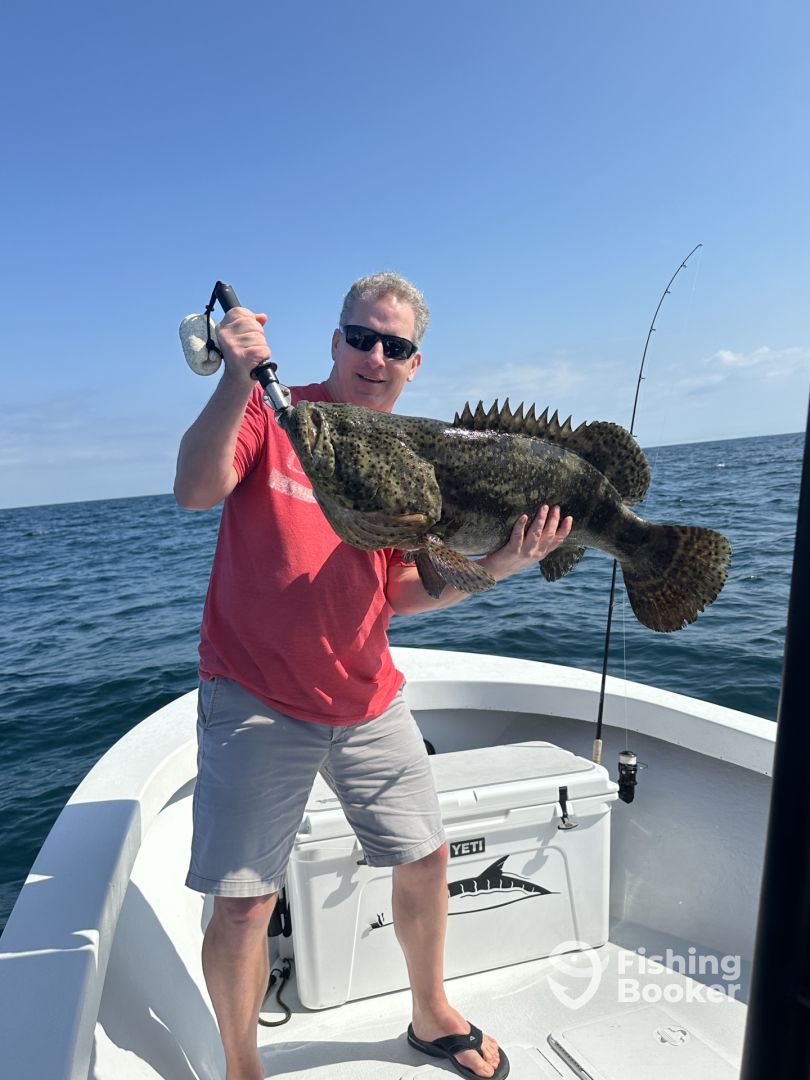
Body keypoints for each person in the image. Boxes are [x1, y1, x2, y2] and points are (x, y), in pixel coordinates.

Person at [174, 272, 573, 1080]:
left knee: (424, 858)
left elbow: (398, 591)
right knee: (245, 904)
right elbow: (194, 490)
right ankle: (242, 1066)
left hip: (365, 693)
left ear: (414, 364)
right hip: (254, 694)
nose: (375, 356)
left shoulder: (411, 454)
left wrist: (499, 565)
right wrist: (236, 378)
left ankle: (430, 1014)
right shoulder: (278, 412)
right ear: (335, 341)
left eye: (395, 345)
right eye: (361, 337)